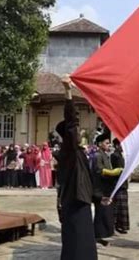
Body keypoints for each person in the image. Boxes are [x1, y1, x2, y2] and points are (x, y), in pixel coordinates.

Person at [56, 76, 109, 260]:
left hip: (82, 200)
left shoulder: (79, 153)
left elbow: (87, 179)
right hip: (74, 201)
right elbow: (70, 121)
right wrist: (68, 92)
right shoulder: (69, 151)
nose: (80, 134)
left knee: (84, 241)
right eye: (77, 132)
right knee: (76, 242)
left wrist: (98, 197)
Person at [93, 133, 116, 246]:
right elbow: (99, 170)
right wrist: (110, 173)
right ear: (100, 144)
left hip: (105, 188)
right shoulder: (98, 155)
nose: (109, 145)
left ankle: (100, 235)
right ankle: (96, 235)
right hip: (99, 189)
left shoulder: (105, 155)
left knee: (104, 213)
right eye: (106, 143)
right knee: (100, 213)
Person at [111, 138, 129, 234]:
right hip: (118, 184)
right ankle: (113, 226)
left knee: (122, 208)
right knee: (117, 208)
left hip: (123, 184)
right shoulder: (115, 156)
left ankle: (120, 226)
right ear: (117, 145)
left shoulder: (121, 156)